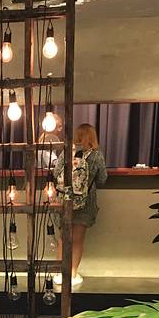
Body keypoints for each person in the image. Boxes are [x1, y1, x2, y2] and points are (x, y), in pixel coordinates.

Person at [54, 123, 107, 287]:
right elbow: (102, 179)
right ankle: (73, 273)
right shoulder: (96, 155)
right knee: (77, 240)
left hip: (66, 201)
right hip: (86, 202)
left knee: (64, 238)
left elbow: (55, 173)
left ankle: (61, 273)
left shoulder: (66, 152)